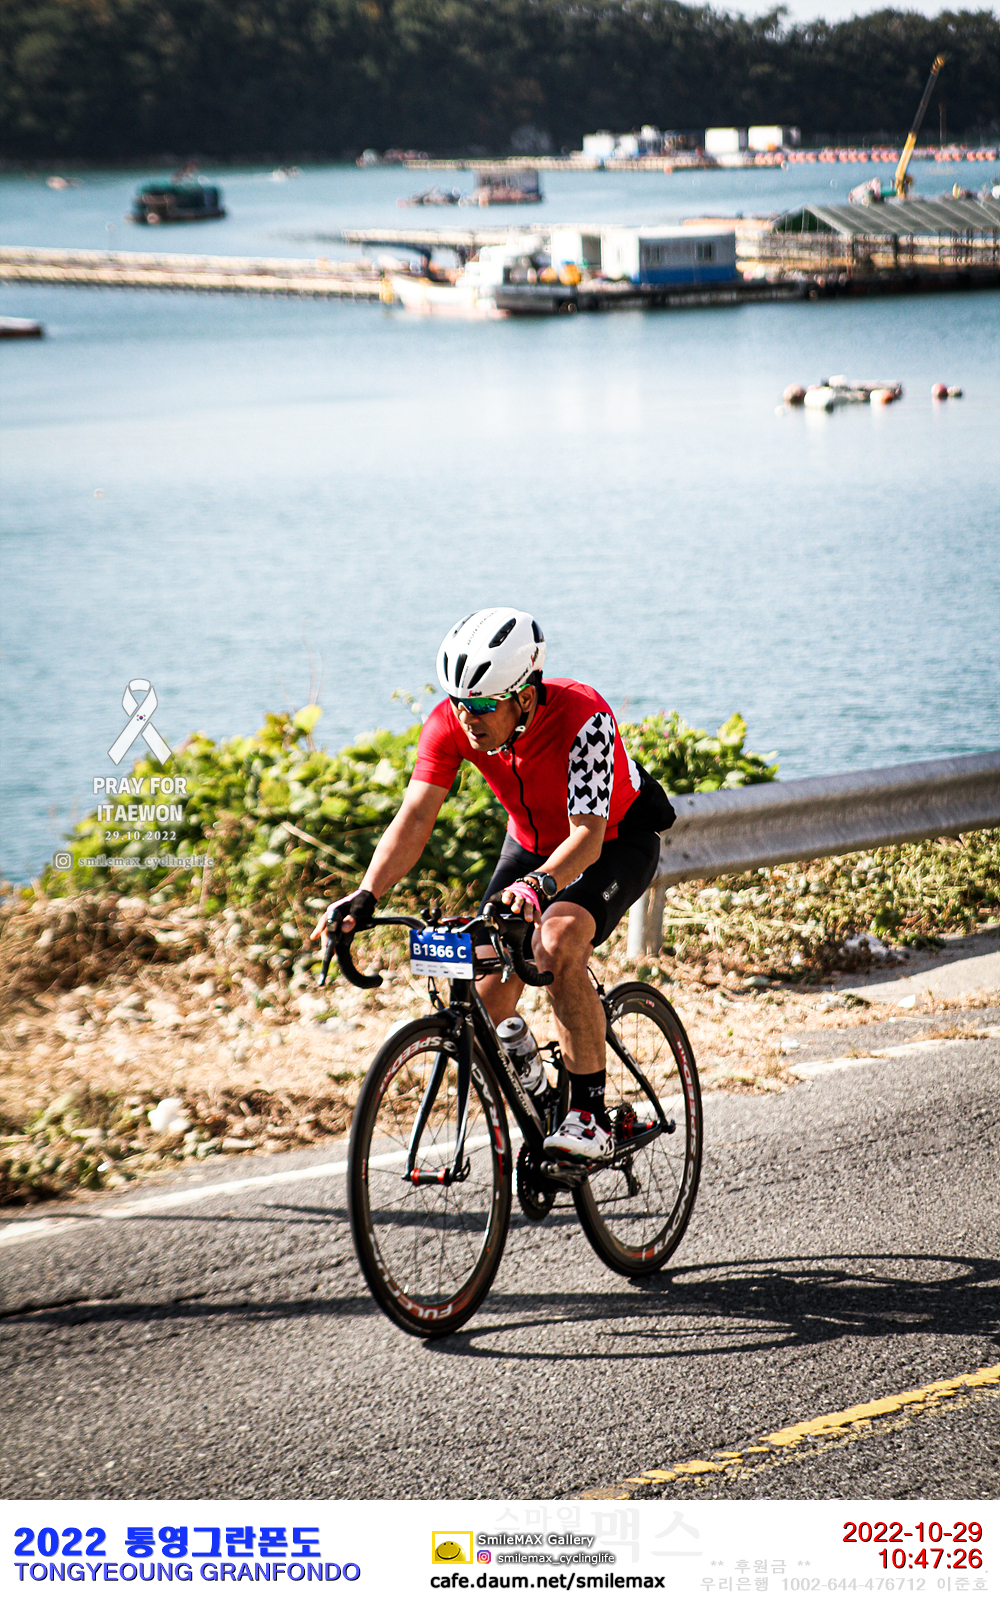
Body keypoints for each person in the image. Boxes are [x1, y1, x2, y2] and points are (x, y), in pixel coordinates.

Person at [312, 608, 674, 1160]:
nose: (467, 716)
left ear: (524, 698)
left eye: (482, 705)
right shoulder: (451, 723)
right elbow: (415, 817)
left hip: (613, 841)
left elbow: (586, 838)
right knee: (485, 993)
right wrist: (366, 894)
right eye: (458, 701)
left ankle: (588, 1115)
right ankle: (540, 1094)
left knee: (556, 942)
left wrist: (538, 887)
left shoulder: (584, 716)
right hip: (528, 843)